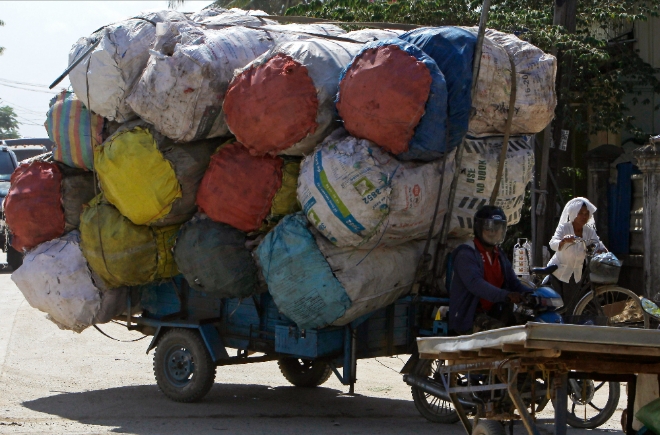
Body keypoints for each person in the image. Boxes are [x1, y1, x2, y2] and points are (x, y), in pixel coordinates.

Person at [449, 206, 533, 335]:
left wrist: (533, 294)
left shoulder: (499, 254)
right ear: (479, 228)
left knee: (528, 328)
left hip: (495, 312)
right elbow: (476, 284)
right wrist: (506, 295)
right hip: (469, 317)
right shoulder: (466, 253)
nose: (493, 232)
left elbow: (513, 282)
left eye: (498, 228)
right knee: (504, 335)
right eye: (488, 228)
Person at [547, 197, 607, 315]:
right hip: (558, 270)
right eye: (580, 213)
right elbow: (552, 243)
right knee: (557, 304)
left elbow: (597, 243)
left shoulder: (588, 231)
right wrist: (563, 241)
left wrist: (603, 250)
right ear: (574, 213)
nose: (584, 216)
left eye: (586, 213)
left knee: (572, 304)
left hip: (575, 272)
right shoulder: (564, 228)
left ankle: (569, 327)